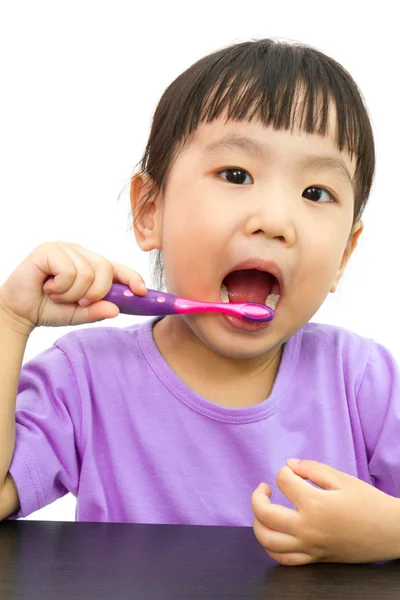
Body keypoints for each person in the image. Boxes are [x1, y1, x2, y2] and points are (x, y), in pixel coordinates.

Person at [0, 38, 398, 567]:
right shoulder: (86, 380)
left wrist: (390, 531)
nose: (275, 222)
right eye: (236, 175)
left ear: (345, 253)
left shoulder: (364, 383)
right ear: (149, 211)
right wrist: (9, 321)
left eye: (316, 193)